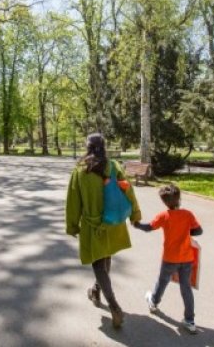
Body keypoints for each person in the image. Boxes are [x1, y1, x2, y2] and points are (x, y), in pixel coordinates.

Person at [65, 133, 142, 329]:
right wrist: (135, 214)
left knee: (99, 264)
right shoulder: (114, 166)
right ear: (104, 147)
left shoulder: (81, 170)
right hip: (113, 223)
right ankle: (96, 291)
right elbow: (128, 191)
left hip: (94, 226)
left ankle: (114, 306)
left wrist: (73, 225)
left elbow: (73, 201)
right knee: (105, 258)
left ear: (88, 147)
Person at [133, 184, 203, 334]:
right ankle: (190, 321)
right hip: (187, 258)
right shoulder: (188, 214)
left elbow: (149, 228)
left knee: (162, 281)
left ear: (164, 202)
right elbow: (199, 231)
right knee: (186, 288)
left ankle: (154, 302)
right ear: (179, 199)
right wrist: (185, 231)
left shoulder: (163, 216)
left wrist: (137, 224)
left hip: (170, 258)